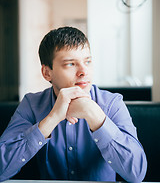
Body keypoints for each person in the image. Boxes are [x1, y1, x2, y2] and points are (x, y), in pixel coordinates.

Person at [0, 26, 147, 182]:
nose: (84, 71)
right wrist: (52, 118)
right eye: (70, 64)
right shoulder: (31, 104)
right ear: (47, 73)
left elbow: (136, 174)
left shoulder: (112, 103)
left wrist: (94, 115)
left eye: (88, 61)